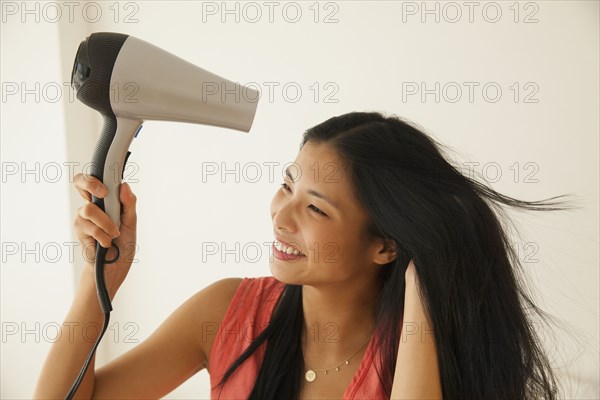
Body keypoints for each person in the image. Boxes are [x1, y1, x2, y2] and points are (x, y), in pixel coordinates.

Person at [34, 111, 574, 399]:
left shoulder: (419, 349)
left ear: (385, 244)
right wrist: (96, 284)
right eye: (287, 185)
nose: (281, 216)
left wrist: (426, 282)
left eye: (315, 209)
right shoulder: (226, 314)